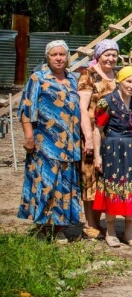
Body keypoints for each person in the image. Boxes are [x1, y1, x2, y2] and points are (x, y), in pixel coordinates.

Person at [17, 40, 82, 243]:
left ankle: (59, 227)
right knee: (44, 183)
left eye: (62, 54)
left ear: (67, 56)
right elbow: (27, 108)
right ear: (48, 57)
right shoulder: (38, 78)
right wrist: (28, 136)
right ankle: (42, 228)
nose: (59, 58)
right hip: (44, 143)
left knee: (64, 185)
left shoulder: (73, 79)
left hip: (70, 145)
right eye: (54, 54)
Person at [93, 66, 132, 248]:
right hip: (113, 148)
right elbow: (98, 129)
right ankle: (110, 232)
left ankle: (128, 232)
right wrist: (97, 156)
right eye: (128, 81)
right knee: (114, 188)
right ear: (120, 81)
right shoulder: (106, 102)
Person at [78, 39, 119, 239]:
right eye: (107, 54)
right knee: (90, 177)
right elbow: (83, 109)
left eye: (114, 54)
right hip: (93, 131)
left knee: (105, 177)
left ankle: (100, 221)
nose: (110, 58)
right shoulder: (89, 75)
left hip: (113, 134)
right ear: (99, 55)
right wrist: (88, 138)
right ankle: (89, 223)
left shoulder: (118, 77)